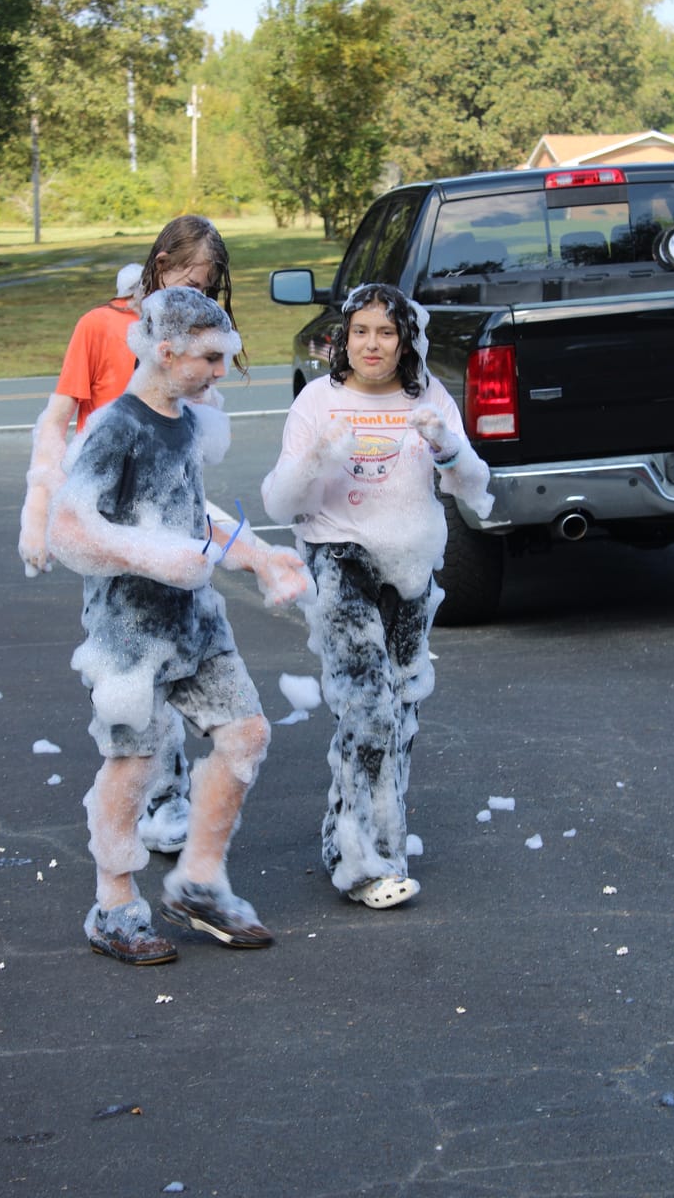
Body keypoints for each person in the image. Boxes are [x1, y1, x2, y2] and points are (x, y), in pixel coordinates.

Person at [47, 286, 306, 965]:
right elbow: (67, 529)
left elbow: (192, 516)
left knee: (246, 734)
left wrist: (260, 557)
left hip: (195, 622)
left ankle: (199, 882)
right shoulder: (116, 427)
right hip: (128, 632)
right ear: (166, 350)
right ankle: (114, 909)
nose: (222, 371)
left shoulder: (186, 421)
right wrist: (156, 555)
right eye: (211, 358)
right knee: (134, 761)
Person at [261, 283, 493, 909]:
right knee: (366, 706)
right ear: (343, 338)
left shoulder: (429, 397)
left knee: (402, 708)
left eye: (386, 333)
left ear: (406, 340)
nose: (372, 344)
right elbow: (280, 503)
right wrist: (315, 456)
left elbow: (475, 486)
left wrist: (446, 445)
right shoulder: (318, 400)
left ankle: (352, 842)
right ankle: (369, 864)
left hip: (411, 562)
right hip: (340, 557)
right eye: (360, 331)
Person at [17, 216, 242, 855]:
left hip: (171, 523)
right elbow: (56, 422)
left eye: (207, 289)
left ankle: (166, 802)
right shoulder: (101, 326)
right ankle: (147, 809)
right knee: (133, 676)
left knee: (182, 657)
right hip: (110, 529)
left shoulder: (195, 338)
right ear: (161, 262)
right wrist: (38, 507)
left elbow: (198, 433)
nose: (198, 296)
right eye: (190, 282)